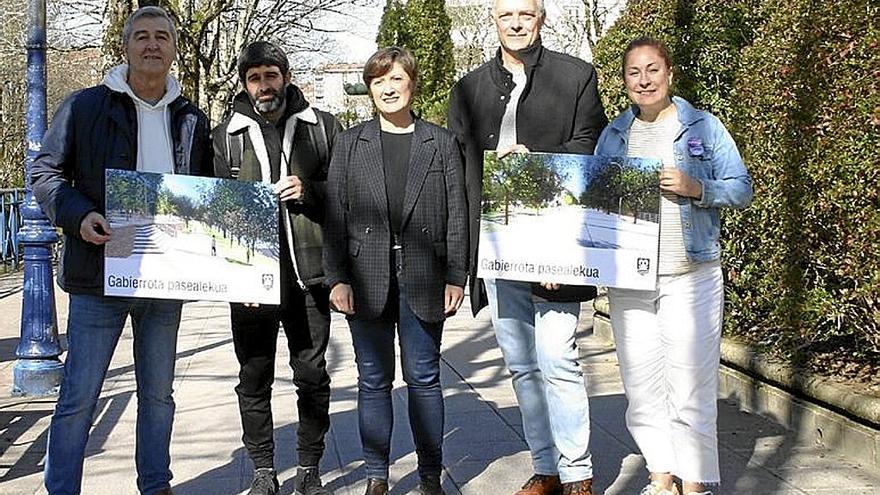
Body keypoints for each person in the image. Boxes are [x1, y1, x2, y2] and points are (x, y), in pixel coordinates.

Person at [31, 6, 213, 495]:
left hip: (167, 280)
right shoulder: (84, 106)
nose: (152, 45)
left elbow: (211, 192)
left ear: (174, 49)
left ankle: (155, 485)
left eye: (162, 37)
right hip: (98, 276)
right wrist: (79, 215)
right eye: (142, 37)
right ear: (126, 46)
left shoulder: (193, 118)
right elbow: (45, 176)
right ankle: (61, 488)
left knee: (159, 397)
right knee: (79, 396)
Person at [447, 0, 607, 493]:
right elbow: (458, 171)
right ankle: (546, 468)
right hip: (497, 244)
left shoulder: (576, 76)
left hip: (555, 241)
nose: (516, 24)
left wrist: (536, 163)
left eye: (526, 15)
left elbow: (590, 147)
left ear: (541, 19)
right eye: (506, 16)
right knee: (520, 364)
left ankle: (578, 472)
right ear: (493, 22)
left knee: (558, 357)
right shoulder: (469, 88)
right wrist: (460, 259)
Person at [595, 37, 753, 495]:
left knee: (691, 386)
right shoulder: (614, 135)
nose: (644, 80)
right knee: (641, 389)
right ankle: (661, 478)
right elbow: (595, 201)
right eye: (633, 72)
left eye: (652, 70)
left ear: (669, 74)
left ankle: (697, 483)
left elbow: (741, 188)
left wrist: (696, 187)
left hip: (692, 276)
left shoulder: (702, 126)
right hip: (631, 280)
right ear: (624, 80)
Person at [323, 46, 468, 495]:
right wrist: (337, 278)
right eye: (379, 80)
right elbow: (335, 214)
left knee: (424, 377)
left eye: (396, 78)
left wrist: (456, 276)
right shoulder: (350, 143)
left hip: (425, 277)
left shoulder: (439, 142)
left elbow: (457, 213)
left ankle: (429, 475)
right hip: (365, 279)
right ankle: (376, 475)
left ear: (412, 84)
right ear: (370, 88)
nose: (388, 87)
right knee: (372, 380)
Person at [212, 41, 342, 495]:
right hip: (250, 279)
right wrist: (234, 276)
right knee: (253, 375)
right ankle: (263, 470)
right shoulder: (223, 135)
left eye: (271, 75)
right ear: (244, 84)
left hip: (309, 276)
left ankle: (310, 467)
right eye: (255, 78)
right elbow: (214, 211)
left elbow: (344, 194)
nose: (264, 86)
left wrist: (308, 189)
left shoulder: (322, 127)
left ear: (286, 77)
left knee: (311, 373)